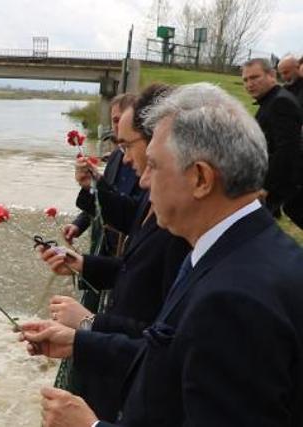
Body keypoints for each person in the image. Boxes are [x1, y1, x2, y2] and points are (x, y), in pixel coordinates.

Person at [21, 83, 303, 426]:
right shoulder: (242, 249)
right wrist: (79, 343)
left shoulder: (233, 299)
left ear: (200, 178)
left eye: (154, 165)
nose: (142, 181)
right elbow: (173, 356)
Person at [44, 84, 190, 422]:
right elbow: (131, 267)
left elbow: (163, 341)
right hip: (119, 360)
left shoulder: (181, 229)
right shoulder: (155, 201)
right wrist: (81, 263)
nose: (125, 161)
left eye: (128, 146)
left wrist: (89, 322)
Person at [63, 93, 140, 255]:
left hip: (126, 251)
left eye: (121, 120)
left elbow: (136, 211)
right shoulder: (115, 156)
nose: (117, 127)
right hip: (102, 247)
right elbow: (103, 195)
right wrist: (79, 225)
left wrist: (97, 183)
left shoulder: (147, 161)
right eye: (114, 121)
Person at [242, 58, 303, 228]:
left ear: (272, 75)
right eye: (245, 80)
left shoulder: (279, 102)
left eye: (255, 77)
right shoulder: (271, 100)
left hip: (284, 184)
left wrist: (267, 187)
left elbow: (287, 150)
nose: (249, 84)